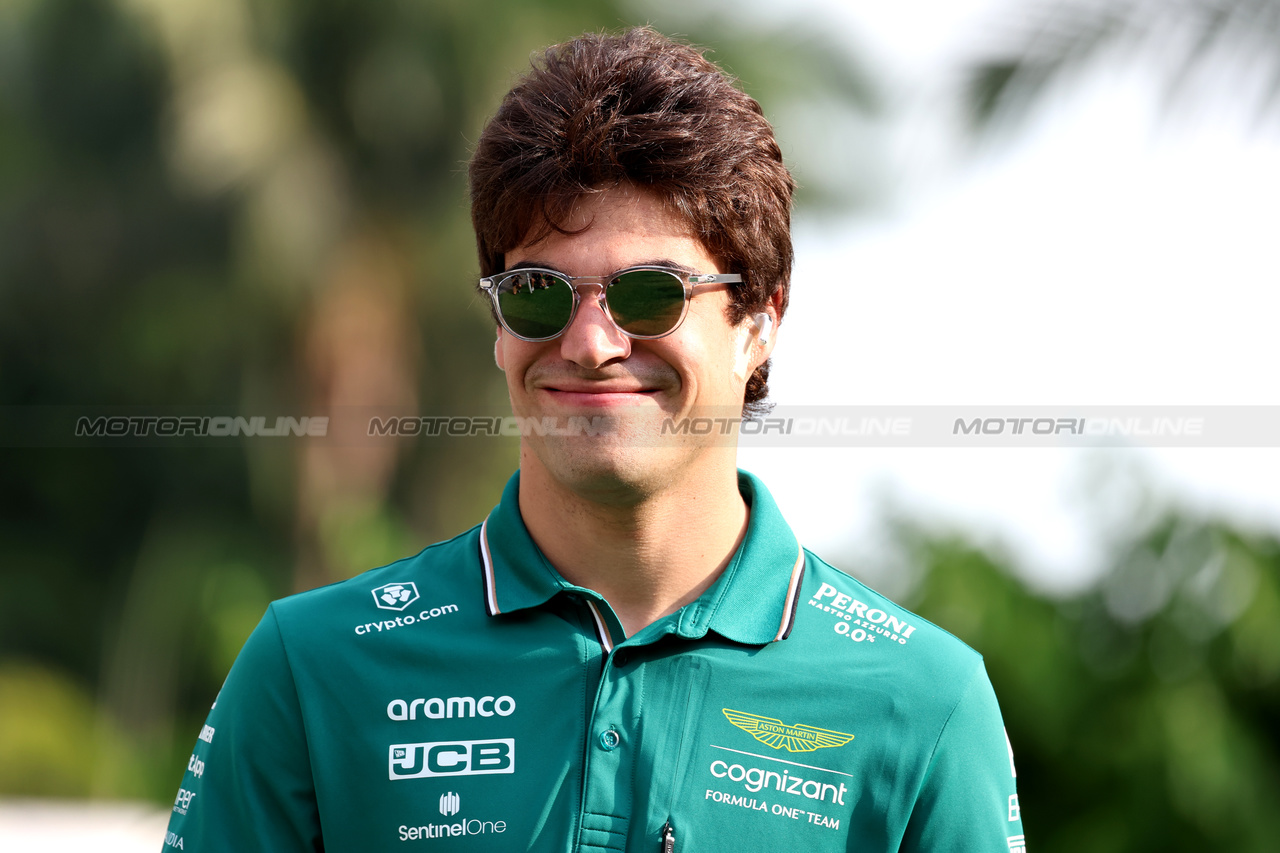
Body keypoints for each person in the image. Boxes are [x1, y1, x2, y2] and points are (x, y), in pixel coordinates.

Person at [163, 27, 1025, 852]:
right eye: (538, 293)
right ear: (499, 323)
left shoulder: (923, 703)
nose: (589, 343)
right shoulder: (312, 669)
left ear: (760, 320)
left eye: (650, 295)